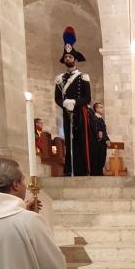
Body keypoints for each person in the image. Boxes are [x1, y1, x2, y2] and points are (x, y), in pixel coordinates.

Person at [54, 26, 93, 176]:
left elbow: (87, 97)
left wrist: (75, 102)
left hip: (80, 112)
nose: (68, 59)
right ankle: (69, 169)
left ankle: (82, 170)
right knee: (68, 141)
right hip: (66, 113)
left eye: (70, 57)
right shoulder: (60, 79)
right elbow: (57, 97)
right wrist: (64, 103)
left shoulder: (83, 77)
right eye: (66, 57)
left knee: (81, 141)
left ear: (75, 59)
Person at [89, 102, 110, 176]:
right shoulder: (94, 118)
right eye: (100, 107)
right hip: (97, 143)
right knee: (97, 161)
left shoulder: (101, 119)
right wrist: (104, 139)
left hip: (102, 143)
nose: (102, 109)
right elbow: (97, 131)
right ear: (96, 109)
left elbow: (104, 131)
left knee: (102, 160)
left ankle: (99, 173)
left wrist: (107, 140)